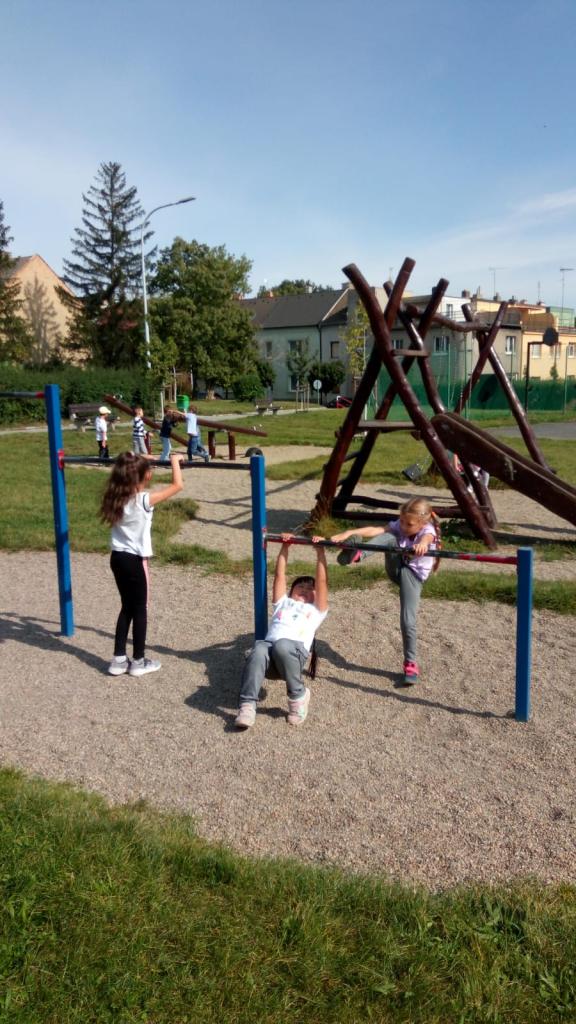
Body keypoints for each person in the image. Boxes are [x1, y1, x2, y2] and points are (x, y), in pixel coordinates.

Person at [331, 497, 440, 685]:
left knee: (408, 620)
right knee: (389, 537)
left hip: (412, 576)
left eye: (409, 524)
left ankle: (410, 663)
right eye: (402, 521)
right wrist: (350, 532)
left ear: (423, 522)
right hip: (396, 567)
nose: (403, 526)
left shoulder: (427, 530)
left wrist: (422, 544)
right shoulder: (402, 524)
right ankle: (357, 554)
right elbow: (377, 530)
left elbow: (427, 538)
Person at [100, 451, 183, 678]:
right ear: (145, 476)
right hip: (136, 561)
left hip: (117, 558)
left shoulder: (115, 497)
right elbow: (177, 486)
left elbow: (124, 462)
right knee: (140, 609)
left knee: (126, 607)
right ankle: (138, 661)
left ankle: (118, 660)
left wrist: (143, 458)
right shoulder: (143, 500)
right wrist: (175, 461)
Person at [234, 534, 328, 730]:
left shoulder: (316, 610)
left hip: (292, 657)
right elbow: (280, 576)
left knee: (283, 645)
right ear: (290, 591)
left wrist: (320, 552)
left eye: (310, 588)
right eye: (300, 586)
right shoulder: (282, 603)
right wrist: (285, 547)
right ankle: (247, 705)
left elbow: (322, 581)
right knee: (259, 648)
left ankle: (298, 696)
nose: (305, 589)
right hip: (269, 659)